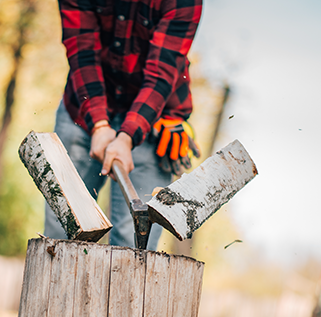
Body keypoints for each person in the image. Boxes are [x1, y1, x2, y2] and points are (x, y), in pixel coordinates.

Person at [44, 0, 203, 250]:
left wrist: (127, 136)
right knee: (60, 235)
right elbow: (81, 49)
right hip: (84, 107)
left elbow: (162, 69)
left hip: (153, 118)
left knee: (135, 247)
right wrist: (98, 123)